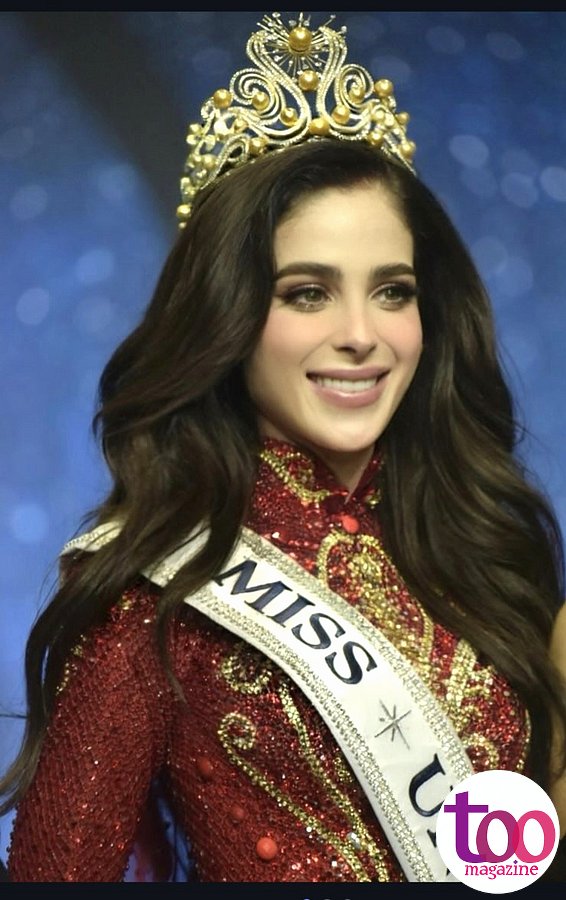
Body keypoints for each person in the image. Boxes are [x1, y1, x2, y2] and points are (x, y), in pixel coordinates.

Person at [1, 11, 565, 884]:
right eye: (307, 294)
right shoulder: (153, 591)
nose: (361, 334)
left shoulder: (486, 545)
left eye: (392, 291)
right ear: (227, 316)